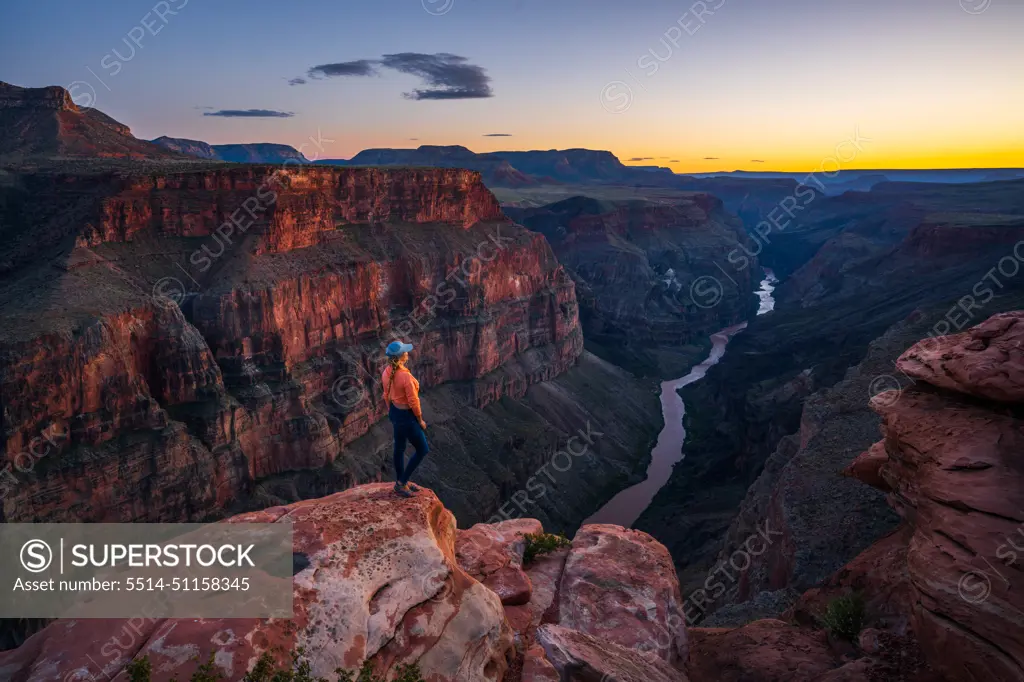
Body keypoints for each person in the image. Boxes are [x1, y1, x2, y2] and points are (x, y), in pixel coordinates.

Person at [382, 340, 429, 497]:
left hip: (395, 413)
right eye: (405, 351)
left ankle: (402, 481)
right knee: (423, 449)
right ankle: (401, 483)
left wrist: (391, 412)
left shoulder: (386, 372)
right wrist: (420, 420)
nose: (408, 353)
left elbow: (385, 395)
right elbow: (414, 402)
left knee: (399, 448)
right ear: (401, 356)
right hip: (407, 417)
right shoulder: (405, 377)